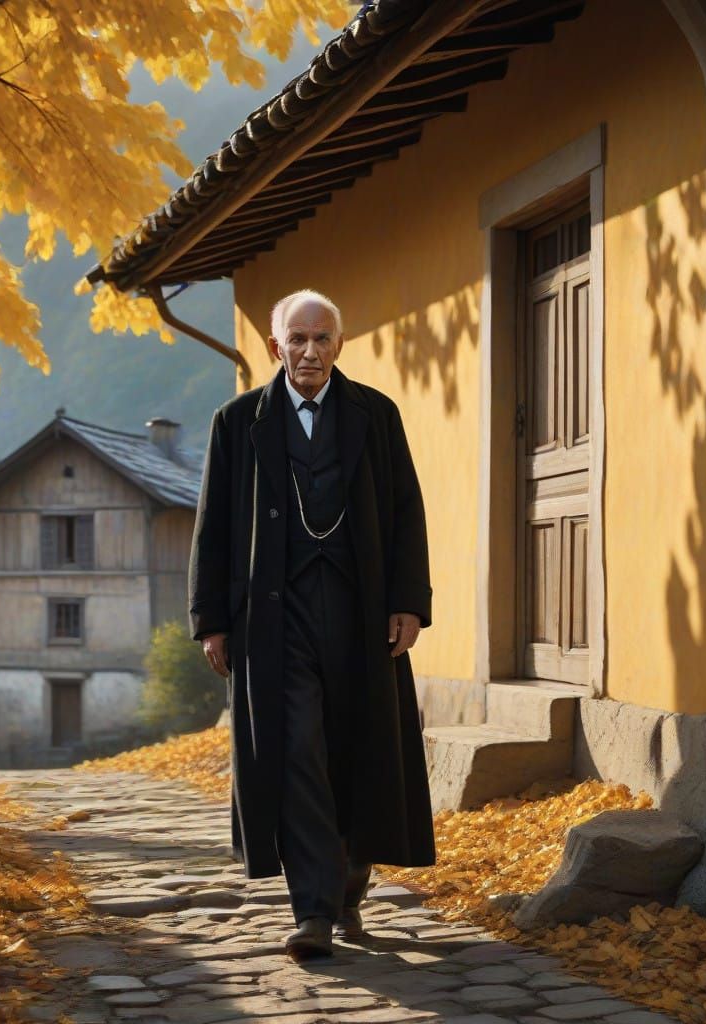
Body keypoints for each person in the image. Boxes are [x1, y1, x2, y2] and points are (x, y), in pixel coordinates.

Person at [188, 289, 435, 960]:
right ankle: (314, 912)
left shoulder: (375, 415)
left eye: (321, 338)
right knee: (295, 751)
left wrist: (409, 600)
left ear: (339, 346)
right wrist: (212, 618)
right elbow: (212, 528)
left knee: (359, 749)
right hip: (276, 619)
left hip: (361, 613)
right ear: (276, 348)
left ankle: (350, 883)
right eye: (296, 339)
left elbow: (407, 510)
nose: (309, 351)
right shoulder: (237, 423)